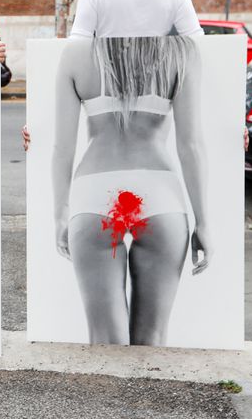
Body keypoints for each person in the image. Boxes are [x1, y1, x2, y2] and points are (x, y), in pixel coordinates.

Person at [22, 0, 248, 153]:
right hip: (157, 108)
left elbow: (74, 55)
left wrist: (40, 126)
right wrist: (232, 121)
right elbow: (201, 51)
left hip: (105, 110)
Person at [52, 35, 207, 345]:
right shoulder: (182, 51)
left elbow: (62, 148)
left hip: (95, 192)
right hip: (160, 192)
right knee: (152, 339)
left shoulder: (76, 53)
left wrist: (60, 213)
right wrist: (203, 222)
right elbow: (190, 145)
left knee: (105, 342)